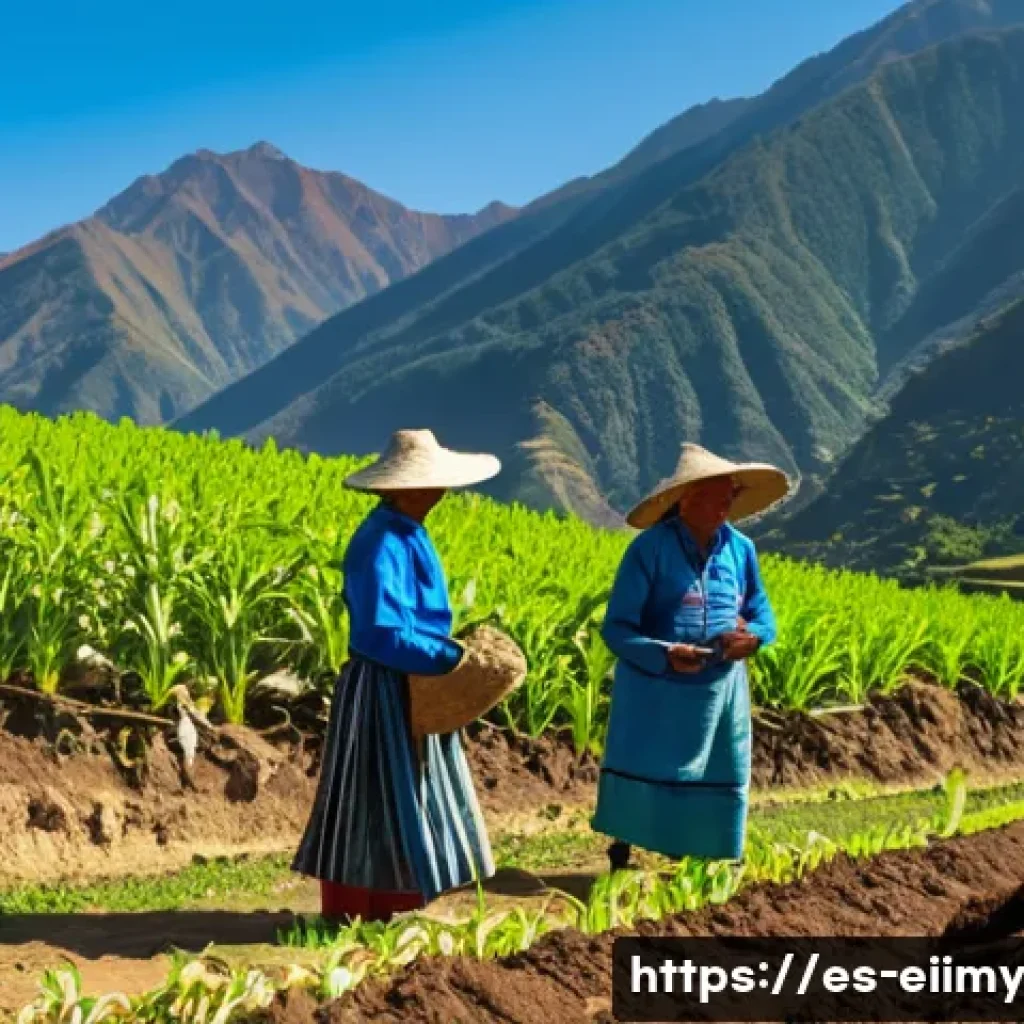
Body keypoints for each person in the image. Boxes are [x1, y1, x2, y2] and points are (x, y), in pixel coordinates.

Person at [292, 428, 501, 923]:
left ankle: (386, 901)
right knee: (365, 796)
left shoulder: (409, 532)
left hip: (411, 681)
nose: (440, 492)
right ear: (403, 488)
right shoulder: (380, 541)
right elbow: (381, 631)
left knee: (403, 793)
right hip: (382, 683)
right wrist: (448, 659)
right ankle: (349, 909)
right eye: (431, 484)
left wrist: (445, 654)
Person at [591, 443, 791, 873]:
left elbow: (762, 613)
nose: (723, 509)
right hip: (657, 688)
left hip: (721, 688)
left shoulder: (741, 550)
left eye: (728, 500)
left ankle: (715, 853)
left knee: (717, 768)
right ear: (685, 499)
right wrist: (664, 655)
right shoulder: (649, 550)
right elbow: (618, 628)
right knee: (648, 763)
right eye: (713, 500)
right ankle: (623, 849)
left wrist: (753, 639)